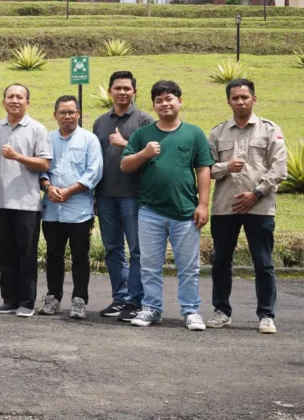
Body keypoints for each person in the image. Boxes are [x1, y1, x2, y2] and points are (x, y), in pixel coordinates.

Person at [121, 80, 214, 331]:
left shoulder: (194, 133)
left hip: (185, 211)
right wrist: (144, 153)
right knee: (150, 266)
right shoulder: (143, 134)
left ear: (180, 101)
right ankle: (152, 308)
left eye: (169, 98)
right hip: (150, 211)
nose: (164, 104)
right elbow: (125, 165)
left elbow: (203, 169)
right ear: (153, 105)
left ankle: (191, 310)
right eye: (159, 100)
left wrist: (203, 204)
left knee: (189, 267)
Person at [206, 78, 287, 334]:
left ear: (254, 98)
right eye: (235, 98)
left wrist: (257, 193)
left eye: (244, 97)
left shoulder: (269, 130)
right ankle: (221, 311)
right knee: (221, 262)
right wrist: (226, 166)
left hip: (259, 207)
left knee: (263, 262)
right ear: (228, 101)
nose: (240, 101)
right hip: (225, 207)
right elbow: (206, 169)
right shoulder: (218, 132)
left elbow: (279, 168)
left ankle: (266, 315)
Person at [92, 70, 154, 322]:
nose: (122, 92)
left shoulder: (144, 120)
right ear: (110, 91)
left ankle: (135, 301)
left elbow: (152, 154)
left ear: (135, 92)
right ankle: (120, 298)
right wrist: (93, 193)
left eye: (127, 88)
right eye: (117, 88)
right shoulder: (100, 122)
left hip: (134, 195)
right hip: (105, 194)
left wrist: (123, 143)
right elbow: (95, 160)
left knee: (137, 250)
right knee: (112, 249)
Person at [0, 84, 52, 318]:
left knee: (26, 255)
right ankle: (9, 300)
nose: (15, 100)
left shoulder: (37, 129)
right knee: (4, 255)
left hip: (26, 202)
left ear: (28, 102)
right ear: (3, 102)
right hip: (0, 200)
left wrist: (17, 156)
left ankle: (27, 302)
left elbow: (44, 163)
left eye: (20, 97)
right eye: (10, 96)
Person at [38, 96, 102, 319]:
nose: (67, 116)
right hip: (52, 210)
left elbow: (94, 173)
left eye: (71, 112)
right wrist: (48, 187)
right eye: (62, 112)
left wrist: (68, 191)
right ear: (54, 115)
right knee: (53, 256)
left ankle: (79, 300)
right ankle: (53, 298)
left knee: (80, 257)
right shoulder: (47, 139)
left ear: (79, 114)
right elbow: (41, 169)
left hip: (79, 211)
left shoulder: (89, 140)